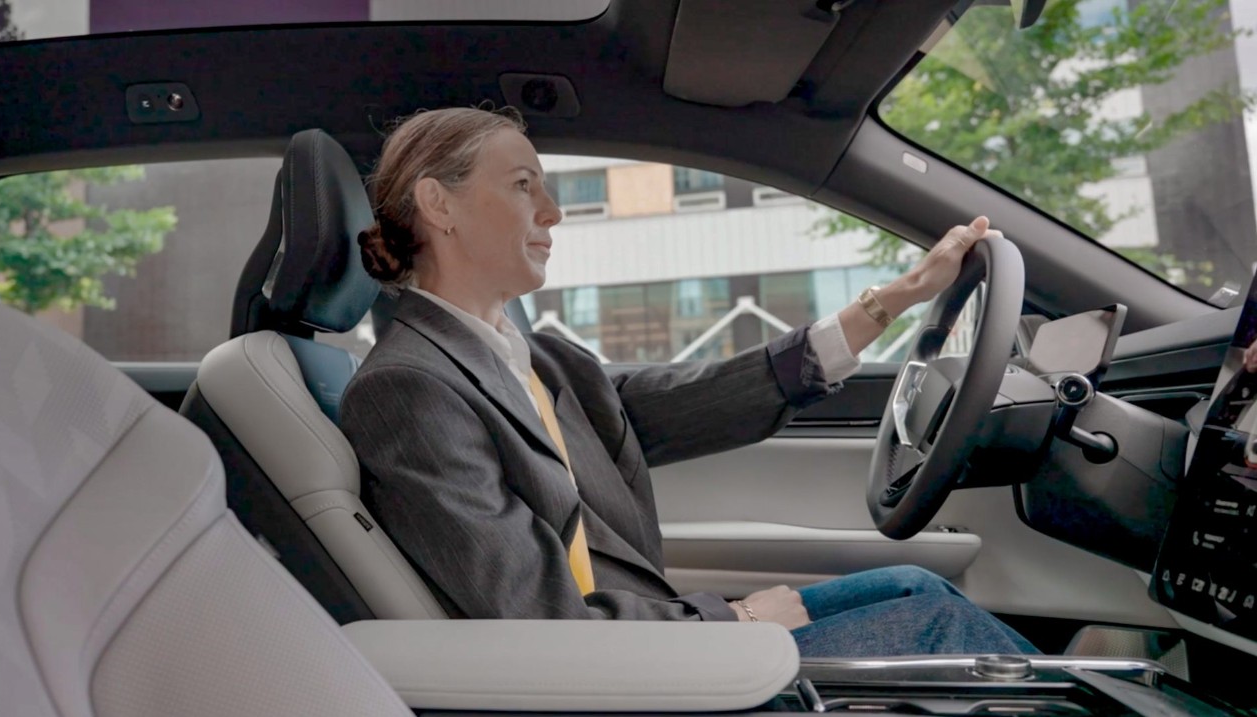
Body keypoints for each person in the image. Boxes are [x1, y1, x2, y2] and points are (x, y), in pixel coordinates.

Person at [340, 106, 1037, 657]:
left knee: (915, 587)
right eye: (524, 185)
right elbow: (534, 614)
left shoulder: (539, 358)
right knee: (938, 627)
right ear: (439, 204)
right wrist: (731, 622)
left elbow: (698, 399)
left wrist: (899, 297)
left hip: (649, 641)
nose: (552, 211)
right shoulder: (408, 389)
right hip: (618, 676)